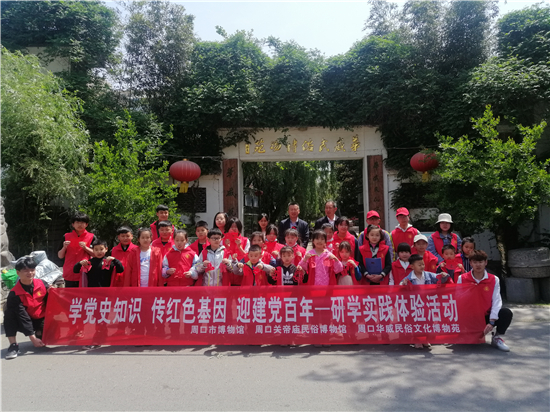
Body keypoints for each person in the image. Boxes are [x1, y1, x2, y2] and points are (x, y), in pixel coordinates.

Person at [457, 250, 513, 352]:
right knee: (467, 342)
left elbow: (496, 300)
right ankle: (465, 332)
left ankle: (496, 337)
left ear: (485, 262)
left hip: (486, 316)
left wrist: (491, 321)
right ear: (470, 263)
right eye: (475, 262)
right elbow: (458, 300)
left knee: (506, 313)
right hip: (469, 317)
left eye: (480, 262)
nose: (478, 265)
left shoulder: (494, 279)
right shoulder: (462, 278)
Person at [4, 257, 47, 360]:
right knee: (9, 315)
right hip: (24, 320)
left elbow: (54, 301)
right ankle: (13, 346)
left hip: (41, 318)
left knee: (47, 339)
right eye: (26, 270)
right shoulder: (14, 293)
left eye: (32, 270)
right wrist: (32, 338)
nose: (30, 273)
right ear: (18, 273)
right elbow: (22, 316)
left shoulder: (42, 284)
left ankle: (39, 332)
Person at [400, 255, 439, 349]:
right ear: (412, 266)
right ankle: (416, 339)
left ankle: (425, 339)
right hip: (415, 305)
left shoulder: (428, 275)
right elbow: (400, 286)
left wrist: (443, 275)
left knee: (428, 322)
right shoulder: (409, 278)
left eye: (423, 264)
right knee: (416, 322)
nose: (422, 266)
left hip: (427, 304)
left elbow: (439, 278)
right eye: (419, 265)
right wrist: (403, 285)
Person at [58, 212, 95, 287]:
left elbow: (96, 254)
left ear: (86, 224)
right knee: (69, 293)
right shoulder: (66, 236)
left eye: (82, 222)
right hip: (69, 272)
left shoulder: (92, 237)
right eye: (77, 222)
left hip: (85, 271)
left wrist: (85, 248)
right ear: (73, 224)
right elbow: (60, 256)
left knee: (84, 293)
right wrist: (64, 247)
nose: (80, 225)